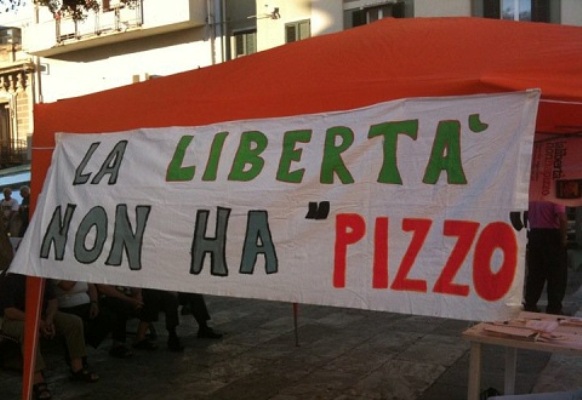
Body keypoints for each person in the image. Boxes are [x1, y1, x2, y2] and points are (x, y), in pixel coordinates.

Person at [0, 274, 99, 400]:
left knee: (73, 322)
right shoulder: (10, 278)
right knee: (29, 331)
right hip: (15, 319)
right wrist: (38, 322)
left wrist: (49, 319)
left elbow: (53, 301)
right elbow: (9, 311)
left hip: (41, 315)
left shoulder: (41, 276)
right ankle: (37, 380)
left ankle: (77, 367)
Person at [55, 280, 131, 358]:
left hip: (86, 303)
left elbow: (91, 287)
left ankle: (84, 344)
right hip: (68, 306)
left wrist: (94, 302)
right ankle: (78, 352)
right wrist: (77, 274)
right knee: (81, 323)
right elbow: (66, 286)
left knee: (109, 316)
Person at [524, 200, 568, 315]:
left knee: (535, 273)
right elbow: (562, 218)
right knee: (556, 274)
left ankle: (530, 304)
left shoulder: (533, 198)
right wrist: (564, 238)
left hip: (535, 234)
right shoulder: (555, 198)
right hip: (552, 236)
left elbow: (525, 215)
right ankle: (554, 307)